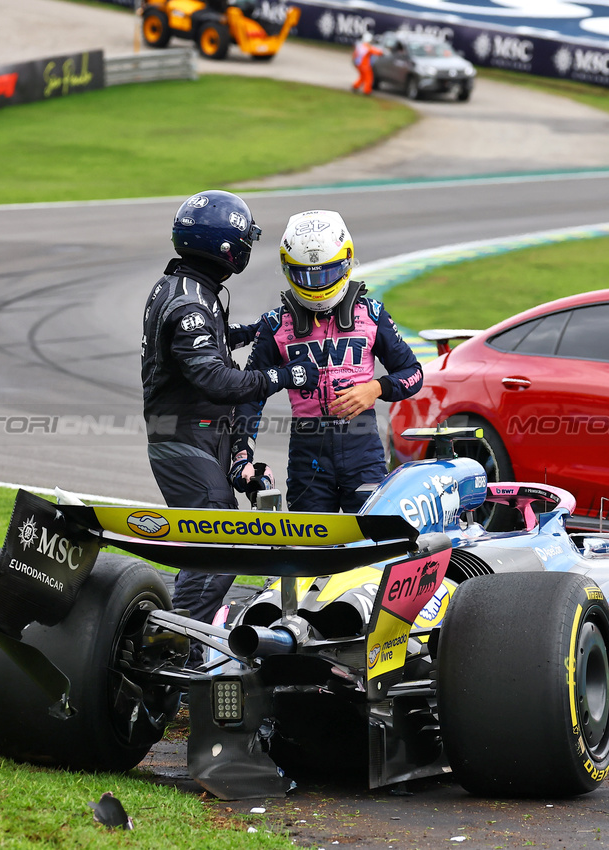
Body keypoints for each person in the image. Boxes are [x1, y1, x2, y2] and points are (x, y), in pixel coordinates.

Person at [142, 190, 318, 636]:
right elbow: (216, 379)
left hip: (201, 437)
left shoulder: (188, 287)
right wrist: (285, 377)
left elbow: (210, 345)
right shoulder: (189, 305)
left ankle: (177, 646)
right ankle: (177, 657)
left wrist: (254, 329)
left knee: (209, 554)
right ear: (227, 248)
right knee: (219, 552)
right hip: (184, 441)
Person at [232, 209, 423, 513]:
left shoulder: (371, 314)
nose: (318, 284)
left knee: (372, 541)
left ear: (347, 262)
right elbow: (249, 395)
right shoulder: (274, 325)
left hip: (363, 448)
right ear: (288, 269)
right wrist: (243, 454)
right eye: (307, 275)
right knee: (310, 548)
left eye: (327, 273)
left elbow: (413, 373)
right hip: (307, 453)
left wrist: (375, 388)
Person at [351, 31, 383, 96]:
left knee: (362, 77)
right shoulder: (367, 46)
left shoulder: (360, 45)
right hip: (365, 65)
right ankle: (367, 91)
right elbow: (376, 51)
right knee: (369, 78)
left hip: (359, 64)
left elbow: (355, 54)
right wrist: (382, 52)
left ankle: (355, 86)